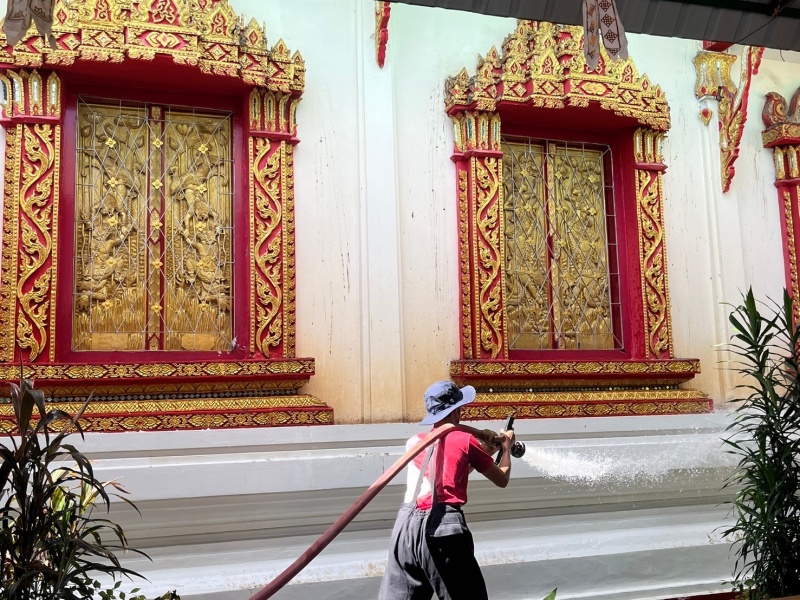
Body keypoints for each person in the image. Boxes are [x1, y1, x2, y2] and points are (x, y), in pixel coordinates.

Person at [378, 380, 516, 600]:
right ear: (457, 410)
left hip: (405, 531)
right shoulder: (466, 440)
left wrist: (483, 451)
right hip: (443, 529)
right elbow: (502, 479)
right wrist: (506, 449)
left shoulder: (414, 442)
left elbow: (446, 475)